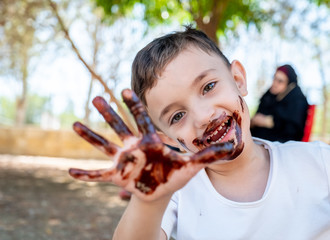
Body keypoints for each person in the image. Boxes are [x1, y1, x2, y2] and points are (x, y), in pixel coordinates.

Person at [69, 26, 330, 239]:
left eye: (208, 87)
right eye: (177, 116)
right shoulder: (176, 192)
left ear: (238, 80)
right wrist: (149, 200)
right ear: (168, 139)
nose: (204, 116)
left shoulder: (319, 163)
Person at [250, 64, 309, 142]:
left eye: (280, 81)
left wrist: (268, 121)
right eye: (274, 78)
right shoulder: (270, 95)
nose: (275, 83)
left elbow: (292, 129)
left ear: (289, 84)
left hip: (283, 142)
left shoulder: (296, 99)